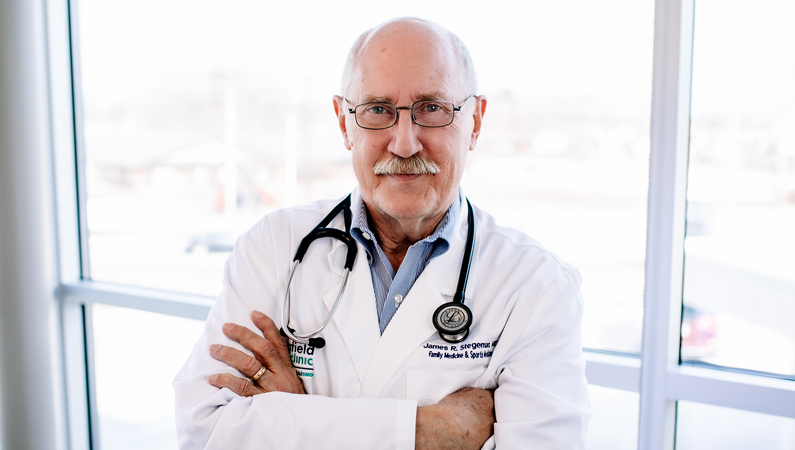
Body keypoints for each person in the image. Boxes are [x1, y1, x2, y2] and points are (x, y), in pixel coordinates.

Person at [174, 17, 590, 450]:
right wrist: (425, 431)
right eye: (377, 110)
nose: (405, 143)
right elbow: (204, 430)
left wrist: (292, 417)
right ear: (343, 123)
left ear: (475, 122)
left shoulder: (538, 286)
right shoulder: (273, 247)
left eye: (432, 107)